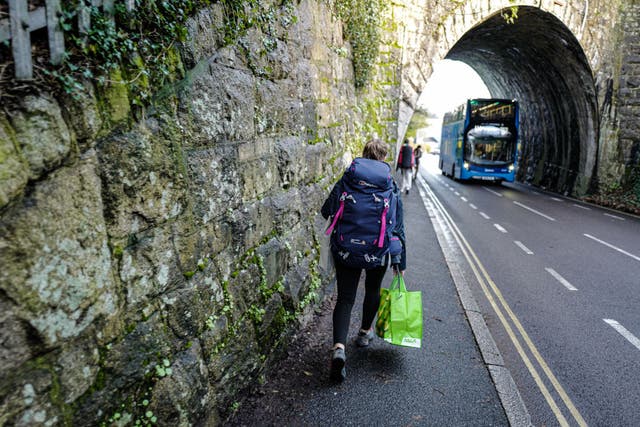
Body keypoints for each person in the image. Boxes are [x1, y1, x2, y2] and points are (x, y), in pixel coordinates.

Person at [321, 138, 407, 382]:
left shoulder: (348, 178)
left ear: (364, 154)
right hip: (377, 251)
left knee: (345, 298)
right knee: (372, 288)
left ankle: (338, 347)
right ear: (383, 158)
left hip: (345, 248)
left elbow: (326, 209)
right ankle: (364, 332)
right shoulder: (390, 185)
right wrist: (400, 262)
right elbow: (398, 225)